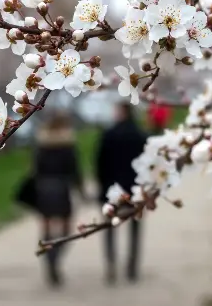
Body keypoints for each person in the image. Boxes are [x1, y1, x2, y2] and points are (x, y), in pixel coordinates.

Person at [96, 102, 148, 284]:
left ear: (123, 113)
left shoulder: (109, 135)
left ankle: (111, 265)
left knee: (109, 227)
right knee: (135, 228)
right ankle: (132, 266)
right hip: (135, 189)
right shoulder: (141, 135)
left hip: (112, 188)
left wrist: (101, 186)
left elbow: (100, 163)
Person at [31, 111, 84, 288]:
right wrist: (81, 189)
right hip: (61, 188)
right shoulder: (67, 144)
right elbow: (75, 169)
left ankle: (49, 261)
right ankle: (55, 258)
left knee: (46, 229)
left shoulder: (41, 144)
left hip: (44, 189)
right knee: (66, 229)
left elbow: (35, 170)